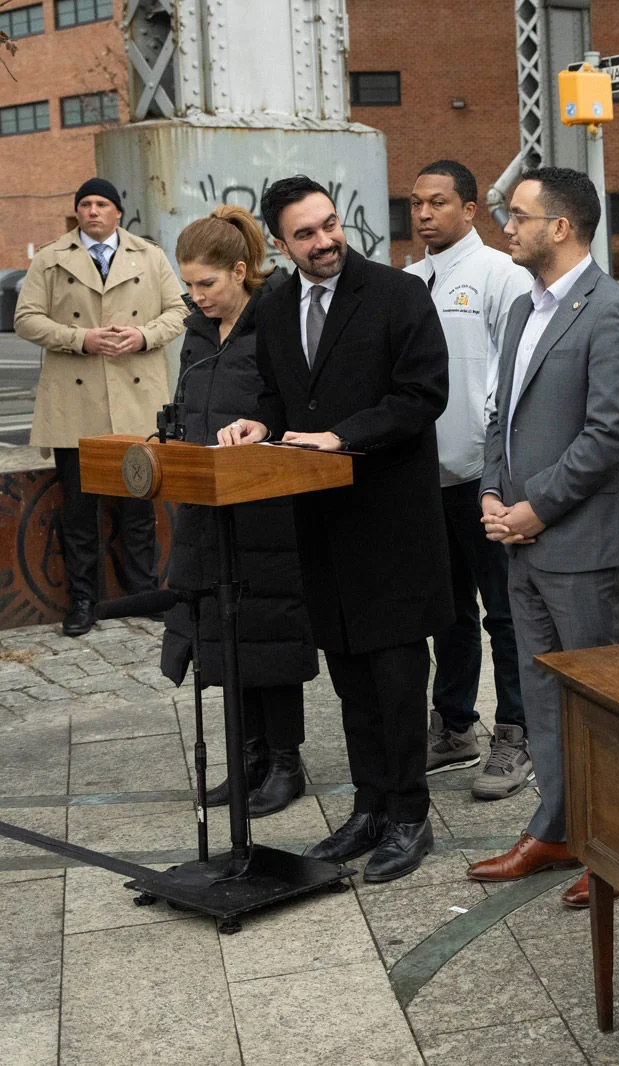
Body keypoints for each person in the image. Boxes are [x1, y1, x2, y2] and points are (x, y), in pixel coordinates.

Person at [217, 175, 451, 884]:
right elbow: (275, 393)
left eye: (329, 225)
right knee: (349, 675)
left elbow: (422, 396)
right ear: (282, 246)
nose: (325, 242)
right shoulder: (276, 303)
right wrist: (263, 422)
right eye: (307, 234)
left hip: (391, 519)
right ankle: (369, 806)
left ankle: (409, 815)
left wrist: (339, 436)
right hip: (320, 523)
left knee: (397, 675)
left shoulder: (397, 294)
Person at [464, 167, 619, 911]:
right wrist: (489, 487)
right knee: (543, 697)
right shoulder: (520, 311)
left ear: (562, 227)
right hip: (518, 538)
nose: (507, 226)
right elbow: (498, 415)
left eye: (519, 215)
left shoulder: (614, 313)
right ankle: (558, 830)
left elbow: (610, 435)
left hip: (580, 544)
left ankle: (617, 850)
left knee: (598, 706)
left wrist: (535, 508)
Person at [161, 205, 318, 817]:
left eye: (208, 284)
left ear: (242, 270)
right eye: (189, 285)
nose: (197, 297)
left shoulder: (278, 319)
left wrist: (264, 435)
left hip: (267, 506)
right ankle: (248, 757)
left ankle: (285, 761)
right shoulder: (199, 333)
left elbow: (293, 410)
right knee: (223, 633)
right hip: (208, 506)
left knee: (269, 632)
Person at [403, 160, 535, 800]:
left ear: (470, 208)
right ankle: (455, 725)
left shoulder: (500, 277)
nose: (424, 214)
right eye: (416, 203)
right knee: (446, 613)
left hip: (485, 477)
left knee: (504, 612)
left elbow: (510, 380)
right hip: (424, 480)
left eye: (437, 202)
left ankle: (518, 730)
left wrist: (498, 469)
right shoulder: (409, 281)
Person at [14, 177, 187, 636]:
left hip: (135, 396)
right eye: (85, 204)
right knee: (80, 510)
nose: (93, 211)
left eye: (102, 203)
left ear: (117, 212)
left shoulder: (149, 256)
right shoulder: (51, 258)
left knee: (137, 506)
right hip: (77, 399)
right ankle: (83, 602)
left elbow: (179, 310)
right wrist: (80, 339)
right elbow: (25, 318)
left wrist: (143, 335)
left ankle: (143, 593)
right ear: (78, 212)